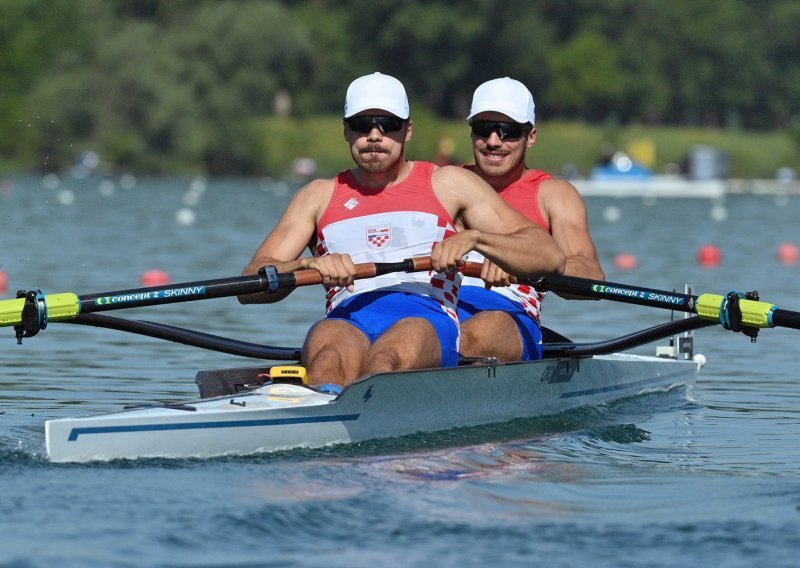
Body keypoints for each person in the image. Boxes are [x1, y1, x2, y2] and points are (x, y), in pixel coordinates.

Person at [239, 72, 565, 386]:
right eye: (362, 124)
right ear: (346, 131)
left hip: (425, 320)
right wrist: (305, 264)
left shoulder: (449, 184)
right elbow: (248, 284)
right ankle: (324, 412)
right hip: (346, 320)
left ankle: (361, 412)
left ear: (407, 131)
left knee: (385, 361)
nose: (375, 136)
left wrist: (477, 239)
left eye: (389, 125)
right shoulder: (317, 196)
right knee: (326, 359)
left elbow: (548, 254)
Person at [458, 77, 605, 362]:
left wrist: (523, 261)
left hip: (507, 316)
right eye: (483, 129)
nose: (493, 141)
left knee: (480, 332)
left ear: (532, 136)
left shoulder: (553, 194)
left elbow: (591, 276)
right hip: (441, 306)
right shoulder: (448, 183)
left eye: (508, 131)